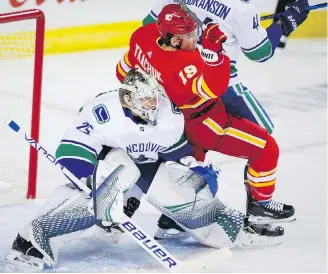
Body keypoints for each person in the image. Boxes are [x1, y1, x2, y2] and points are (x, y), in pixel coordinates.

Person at [5, 69, 282, 271]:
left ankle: (223, 228)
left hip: (149, 165)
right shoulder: (103, 112)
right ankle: (33, 241)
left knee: (185, 193)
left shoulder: (168, 116)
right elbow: (73, 145)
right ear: (130, 100)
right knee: (101, 192)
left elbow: (179, 154)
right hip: (110, 163)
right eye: (147, 101)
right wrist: (88, 177)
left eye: (155, 98)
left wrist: (195, 170)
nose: (155, 104)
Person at [116, 4, 296, 239]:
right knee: (266, 148)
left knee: (186, 166)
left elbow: (123, 71)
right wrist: (213, 53)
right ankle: (259, 210)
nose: (195, 39)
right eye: (189, 36)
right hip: (205, 123)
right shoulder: (185, 63)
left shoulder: (143, 36)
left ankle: (171, 218)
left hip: (171, 118)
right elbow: (216, 87)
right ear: (172, 39)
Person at [142, 0, 309, 133]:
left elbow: (148, 25)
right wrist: (285, 22)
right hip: (220, 86)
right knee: (263, 134)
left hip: (176, 78)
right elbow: (260, 53)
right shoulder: (242, 9)